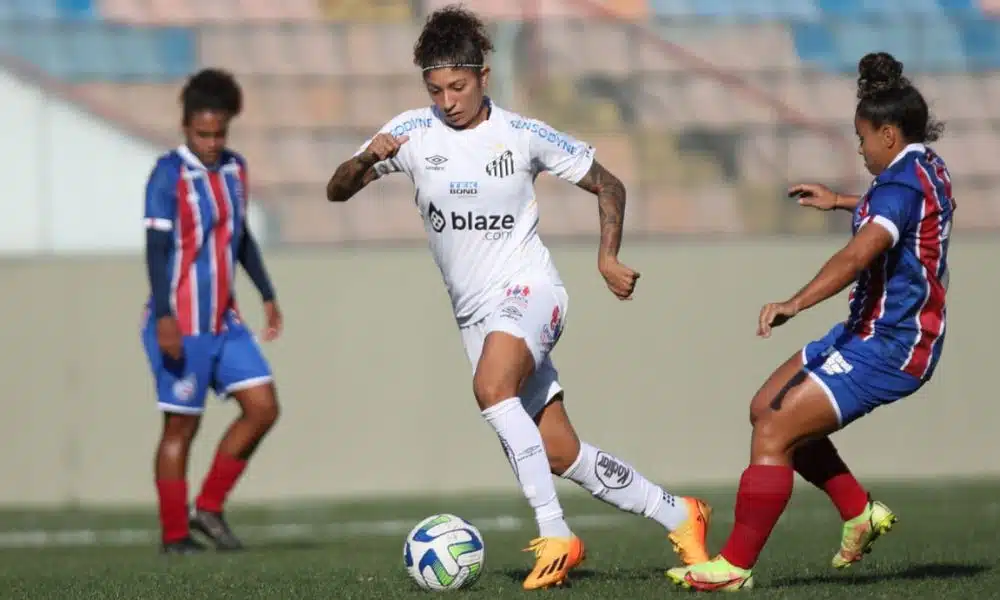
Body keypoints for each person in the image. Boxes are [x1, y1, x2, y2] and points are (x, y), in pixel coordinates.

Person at [325, 5, 711, 590]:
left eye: (458, 87)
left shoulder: (522, 134)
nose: (448, 101)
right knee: (559, 452)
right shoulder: (410, 132)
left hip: (530, 290)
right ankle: (679, 514)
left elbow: (608, 183)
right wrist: (366, 158)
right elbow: (337, 191)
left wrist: (606, 257)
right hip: (474, 315)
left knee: (490, 387)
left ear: (483, 76)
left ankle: (556, 535)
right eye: (436, 90)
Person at [667, 51, 954, 591]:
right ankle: (858, 511)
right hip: (865, 331)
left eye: (862, 139)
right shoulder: (924, 168)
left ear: (888, 135)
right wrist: (842, 201)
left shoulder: (898, 187)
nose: (860, 149)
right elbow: (905, 213)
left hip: (892, 345)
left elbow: (858, 255)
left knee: (775, 429)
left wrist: (793, 303)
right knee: (765, 408)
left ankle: (733, 567)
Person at [142, 68, 283, 555]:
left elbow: (239, 237)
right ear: (186, 127)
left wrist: (266, 292)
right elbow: (157, 250)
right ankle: (174, 534)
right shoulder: (168, 175)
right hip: (180, 323)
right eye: (203, 134)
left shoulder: (234, 169)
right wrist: (164, 316)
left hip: (225, 322)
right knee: (181, 426)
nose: (212, 142)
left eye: (219, 133)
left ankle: (208, 507)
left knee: (263, 407)